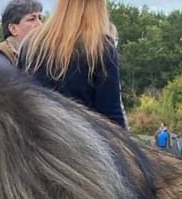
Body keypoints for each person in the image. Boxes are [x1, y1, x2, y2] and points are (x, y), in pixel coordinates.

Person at [17, 0, 126, 128]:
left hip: (34, 140)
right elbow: (112, 119)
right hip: (80, 143)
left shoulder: (31, 44)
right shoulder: (100, 48)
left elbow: (18, 103)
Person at [0, 0, 43, 66]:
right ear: (13, 29)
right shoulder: (0, 58)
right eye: (31, 19)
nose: (40, 25)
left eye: (40, 18)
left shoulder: (41, 55)